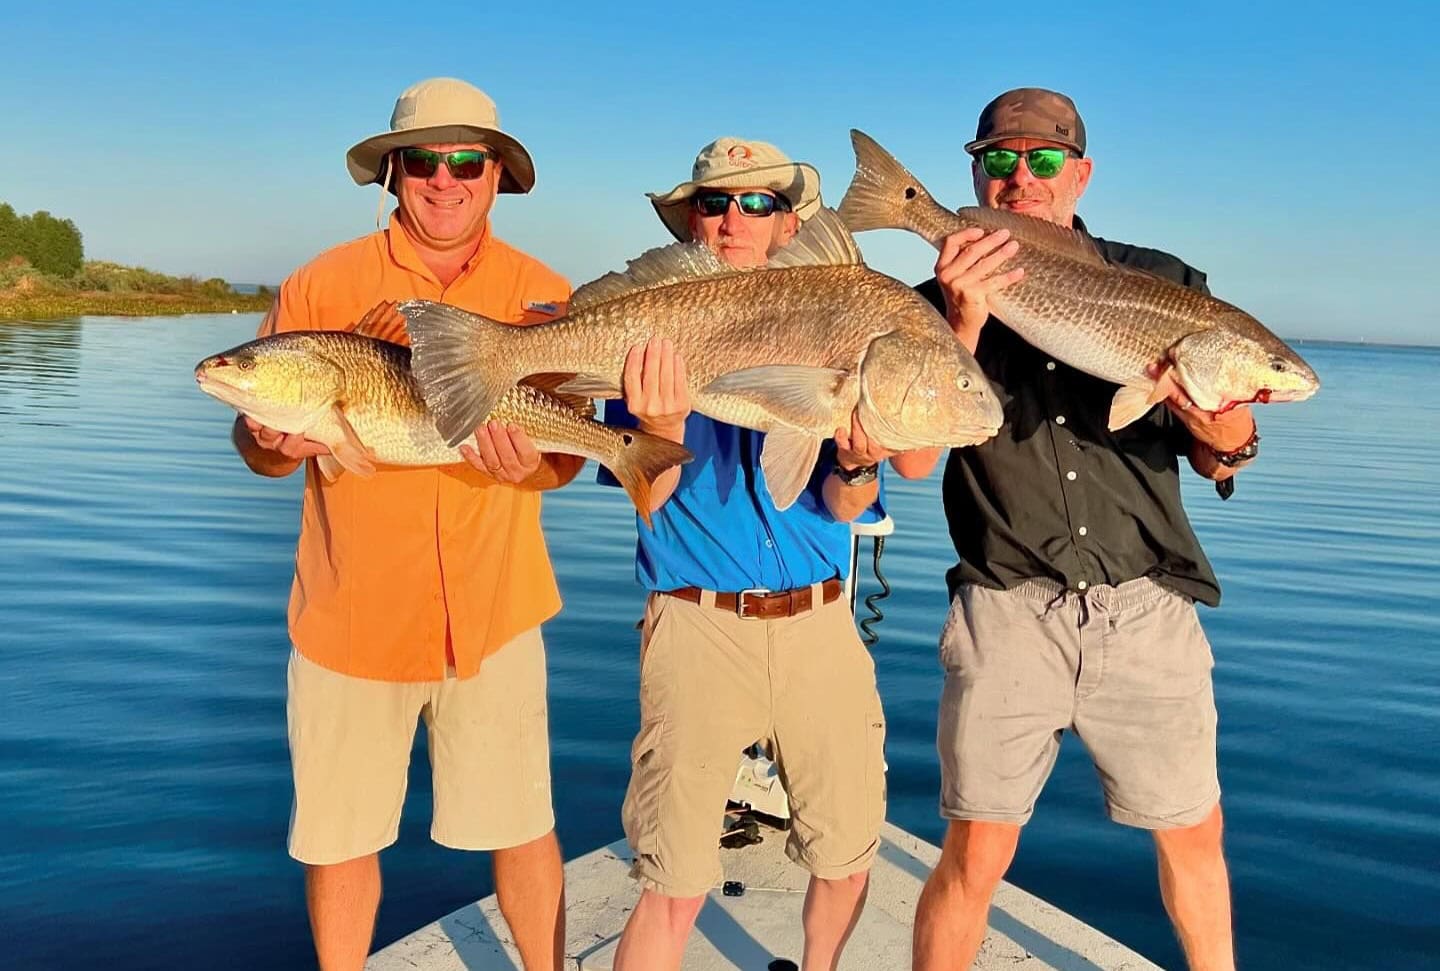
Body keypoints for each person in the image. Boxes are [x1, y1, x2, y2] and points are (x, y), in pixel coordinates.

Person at [899, 88, 1257, 971]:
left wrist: (1227, 434)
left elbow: (1225, 452)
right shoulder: (927, 298)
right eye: (1001, 160)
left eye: (1044, 159)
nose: (1023, 177)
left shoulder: (1165, 282)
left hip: (1146, 606)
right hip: (1005, 604)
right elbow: (909, 455)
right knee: (977, 848)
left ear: (1081, 173)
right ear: (974, 174)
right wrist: (963, 319)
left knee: (1193, 830)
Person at [232, 77, 575, 971]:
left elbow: (565, 456)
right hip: (350, 618)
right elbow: (260, 447)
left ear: (498, 175)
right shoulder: (322, 283)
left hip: (495, 616)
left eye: (468, 159)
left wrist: (533, 461)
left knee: (524, 824)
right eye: (423, 159)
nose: (445, 178)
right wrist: (273, 438)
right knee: (339, 839)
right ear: (392, 173)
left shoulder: (543, 294)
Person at [600, 137, 911, 971]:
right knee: (675, 879)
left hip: (818, 622)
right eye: (715, 202)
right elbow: (648, 498)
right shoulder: (646, 334)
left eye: (759, 202)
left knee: (847, 853)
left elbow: (848, 503)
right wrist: (659, 423)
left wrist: (856, 457)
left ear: (789, 222)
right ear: (693, 222)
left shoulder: (839, 325)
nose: (735, 217)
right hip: (699, 625)